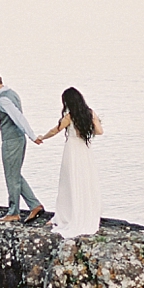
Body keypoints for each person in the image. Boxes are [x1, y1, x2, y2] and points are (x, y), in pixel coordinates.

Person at [35, 87, 103, 238]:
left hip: (72, 151)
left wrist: (42, 137)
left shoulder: (69, 116)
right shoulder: (90, 113)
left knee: (69, 183)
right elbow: (99, 131)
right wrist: (89, 126)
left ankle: (66, 215)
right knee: (84, 181)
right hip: (84, 150)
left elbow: (55, 130)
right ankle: (84, 212)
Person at [0, 70, 45, 223]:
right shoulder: (13, 94)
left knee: (11, 176)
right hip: (18, 139)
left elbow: (18, 118)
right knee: (15, 174)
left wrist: (32, 135)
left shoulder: (3, 99)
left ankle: (13, 212)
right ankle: (34, 205)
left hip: (11, 141)